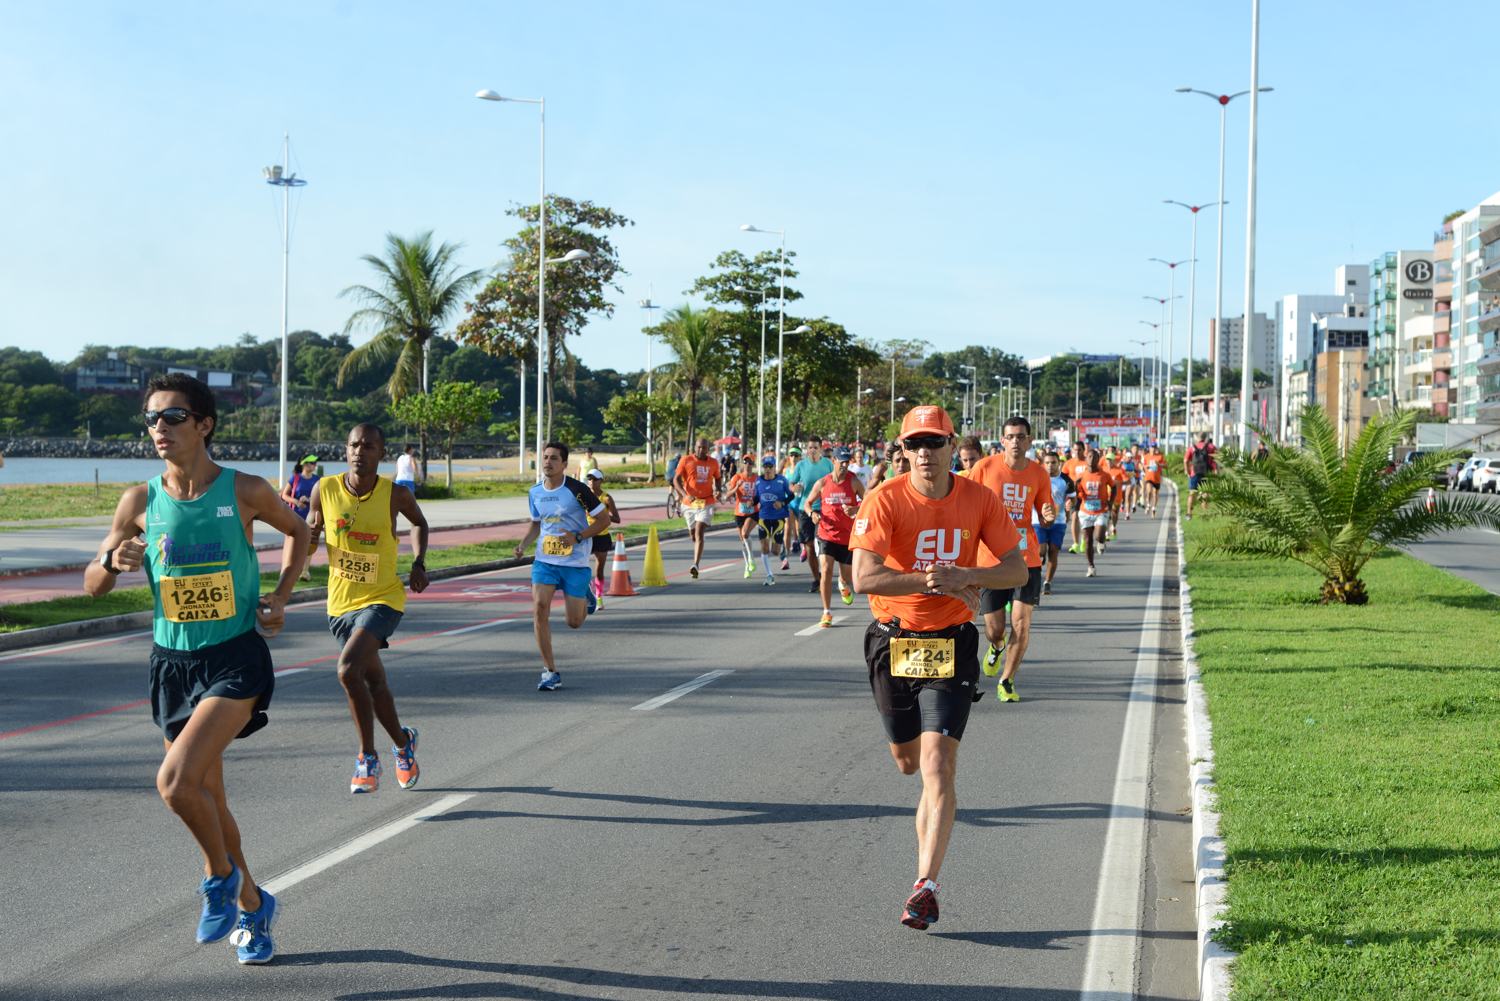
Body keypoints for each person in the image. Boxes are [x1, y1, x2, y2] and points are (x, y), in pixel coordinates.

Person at [84, 373, 309, 965]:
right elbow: (94, 585)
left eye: (173, 417)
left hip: (233, 658)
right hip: (171, 665)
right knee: (208, 798)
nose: (159, 428)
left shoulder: (245, 490)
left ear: (204, 424)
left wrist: (282, 596)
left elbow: (300, 531)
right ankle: (255, 906)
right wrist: (113, 558)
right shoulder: (139, 502)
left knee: (175, 783)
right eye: (152, 419)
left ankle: (217, 881)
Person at [849, 405, 1027, 930]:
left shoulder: (979, 500)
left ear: (953, 446)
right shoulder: (884, 500)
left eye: (935, 443)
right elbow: (863, 577)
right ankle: (925, 869)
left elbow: (1015, 567)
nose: (925, 453)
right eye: (915, 444)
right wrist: (932, 580)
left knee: (937, 765)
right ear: (903, 450)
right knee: (907, 762)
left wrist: (966, 573)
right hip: (893, 641)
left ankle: (924, 884)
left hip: (951, 643)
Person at [306, 423, 429, 795]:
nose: (360, 451)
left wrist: (419, 562)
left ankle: (367, 757)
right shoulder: (324, 490)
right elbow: (309, 535)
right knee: (373, 682)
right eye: (354, 445)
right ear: (346, 450)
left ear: (381, 453)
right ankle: (404, 744)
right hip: (340, 604)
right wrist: (306, 543)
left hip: (384, 598)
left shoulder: (395, 495)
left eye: (369, 446)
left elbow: (419, 523)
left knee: (347, 671)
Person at [968, 416, 1055, 703]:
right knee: (995, 630)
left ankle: (1007, 680)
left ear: (1030, 441)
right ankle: (996, 647)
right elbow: (964, 497)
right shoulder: (985, 467)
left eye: (1021, 437)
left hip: (1026, 557)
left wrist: (1048, 513)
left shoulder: (1039, 473)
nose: (1015, 442)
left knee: (1022, 622)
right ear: (1002, 440)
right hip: (991, 559)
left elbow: (1045, 504)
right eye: (1010, 436)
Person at [513, 442, 609, 691]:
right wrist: (523, 544)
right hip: (545, 560)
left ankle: (586, 592)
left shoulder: (577, 490)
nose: (548, 462)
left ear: (564, 464)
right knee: (539, 609)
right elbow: (537, 523)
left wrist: (578, 536)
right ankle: (550, 671)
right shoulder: (535, 492)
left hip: (574, 562)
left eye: (554, 458)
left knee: (574, 622)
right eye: (545, 457)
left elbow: (603, 519)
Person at [805, 445, 866, 626]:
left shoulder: (853, 481)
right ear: (834, 461)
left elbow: (869, 502)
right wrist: (812, 514)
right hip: (826, 534)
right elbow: (808, 503)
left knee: (846, 576)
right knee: (826, 570)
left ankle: (843, 583)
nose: (845, 465)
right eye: (842, 462)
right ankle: (826, 612)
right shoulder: (823, 483)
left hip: (847, 536)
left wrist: (856, 508)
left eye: (848, 462)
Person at [788, 440, 833, 591]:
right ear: (806, 450)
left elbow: (835, 481)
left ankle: (826, 574)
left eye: (815, 447)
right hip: (805, 509)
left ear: (820, 449)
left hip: (825, 509)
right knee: (809, 546)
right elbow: (792, 485)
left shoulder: (827, 464)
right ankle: (816, 578)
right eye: (810, 447)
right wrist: (795, 487)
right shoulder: (801, 465)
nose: (812, 450)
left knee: (824, 544)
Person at [672, 438, 721, 578]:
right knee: (693, 535)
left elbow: (718, 478)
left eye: (704, 448)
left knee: (699, 531)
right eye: (699, 447)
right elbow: (676, 479)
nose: (701, 450)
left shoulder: (713, 462)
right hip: (689, 504)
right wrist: (684, 494)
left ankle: (696, 565)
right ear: (695, 447)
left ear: (708, 449)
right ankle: (697, 551)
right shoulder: (686, 460)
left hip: (707, 502)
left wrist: (718, 489)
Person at [1037, 451, 1074, 595]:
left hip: (1058, 521)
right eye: (1047, 463)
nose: (1050, 466)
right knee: (1041, 551)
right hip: (1038, 520)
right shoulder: (1037, 478)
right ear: (1043, 464)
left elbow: (1072, 497)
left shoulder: (1065, 480)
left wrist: (1070, 504)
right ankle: (1040, 560)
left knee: (1054, 551)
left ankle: (1047, 582)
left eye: (1053, 463)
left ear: (1059, 463)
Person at [752, 456, 793, 584]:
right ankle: (769, 574)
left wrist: (782, 503)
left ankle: (782, 551)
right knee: (764, 547)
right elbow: (757, 498)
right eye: (766, 467)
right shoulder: (758, 481)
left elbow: (791, 495)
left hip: (778, 518)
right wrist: (751, 502)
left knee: (774, 551)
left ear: (775, 468)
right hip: (763, 517)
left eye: (770, 467)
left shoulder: (782, 480)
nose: (768, 469)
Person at [584, 468, 622, 607]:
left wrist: (603, 516)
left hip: (602, 536)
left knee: (599, 570)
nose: (591, 482)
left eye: (594, 479)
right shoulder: (583, 497)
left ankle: (599, 597)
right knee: (582, 567)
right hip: (587, 536)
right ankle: (587, 595)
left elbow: (617, 519)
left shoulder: (606, 498)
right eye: (589, 479)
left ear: (601, 481)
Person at [281, 455, 321, 580]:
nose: (313, 465)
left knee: (309, 544)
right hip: (295, 516)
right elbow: (284, 495)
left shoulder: (318, 480)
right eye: (310, 462)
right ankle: (288, 570)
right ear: (304, 464)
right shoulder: (295, 478)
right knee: (293, 544)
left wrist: (310, 500)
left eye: (315, 463)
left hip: (311, 517)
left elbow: (322, 496)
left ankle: (305, 571)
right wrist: (297, 501)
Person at [1075, 449, 1114, 577]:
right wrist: (1077, 495)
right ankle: (1091, 566)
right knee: (1087, 540)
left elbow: (1114, 487)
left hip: (1100, 511)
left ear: (1099, 460)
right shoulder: (1081, 476)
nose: (1092, 460)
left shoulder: (1104, 475)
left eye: (1095, 457)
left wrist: (1110, 502)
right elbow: (1077, 491)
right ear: (1086, 459)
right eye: (1090, 457)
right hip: (1085, 511)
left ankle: (1101, 541)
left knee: (1098, 536)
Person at [723, 455, 761, 578]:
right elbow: (726, 496)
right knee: (743, 542)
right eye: (745, 462)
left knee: (745, 534)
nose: (748, 465)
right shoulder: (737, 477)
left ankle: (751, 559)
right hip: (739, 513)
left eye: (750, 463)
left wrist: (755, 500)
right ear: (742, 464)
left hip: (753, 512)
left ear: (753, 465)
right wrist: (736, 488)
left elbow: (762, 493)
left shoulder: (757, 479)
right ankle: (747, 566)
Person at [1062, 441, 1091, 553]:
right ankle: (1076, 543)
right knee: (1074, 517)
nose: (1077, 452)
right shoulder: (1068, 463)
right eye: (1075, 449)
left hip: (1088, 495)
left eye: (1079, 449)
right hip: (1074, 495)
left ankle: (1084, 540)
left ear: (1084, 450)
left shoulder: (1088, 462)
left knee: (1086, 519)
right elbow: (1062, 478)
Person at [1186, 432, 1215, 519]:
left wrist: (1188, 471)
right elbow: (1217, 458)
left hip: (1194, 473)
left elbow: (1185, 461)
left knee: (1192, 493)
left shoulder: (1192, 448)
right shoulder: (1210, 447)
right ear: (1205, 438)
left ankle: (1189, 514)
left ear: (1197, 438)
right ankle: (1204, 514)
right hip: (1206, 473)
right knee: (1205, 493)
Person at [1141, 443, 1164, 517]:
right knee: (1149, 491)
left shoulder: (1160, 456)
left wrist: (1159, 464)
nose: (1153, 449)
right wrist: (1145, 467)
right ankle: (1148, 504)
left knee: (1155, 493)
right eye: (1151, 447)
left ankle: (1154, 507)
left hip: (1157, 478)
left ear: (1156, 448)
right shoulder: (1146, 456)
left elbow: (1166, 465)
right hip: (1148, 477)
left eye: (1154, 448)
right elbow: (1143, 465)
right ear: (1149, 448)